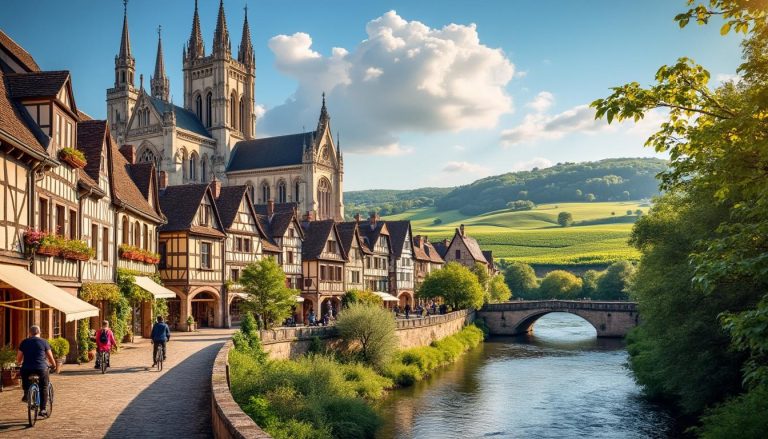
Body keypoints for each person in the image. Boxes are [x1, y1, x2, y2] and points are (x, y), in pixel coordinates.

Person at [16, 325, 55, 417]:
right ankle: (43, 409)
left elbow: (19, 358)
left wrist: (19, 364)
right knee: (44, 387)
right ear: (39, 332)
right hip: (41, 368)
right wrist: (54, 365)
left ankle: (26, 393)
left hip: (27, 368)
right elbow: (50, 356)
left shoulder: (24, 342)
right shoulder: (44, 342)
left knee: (25, 379)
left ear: (29, 333)